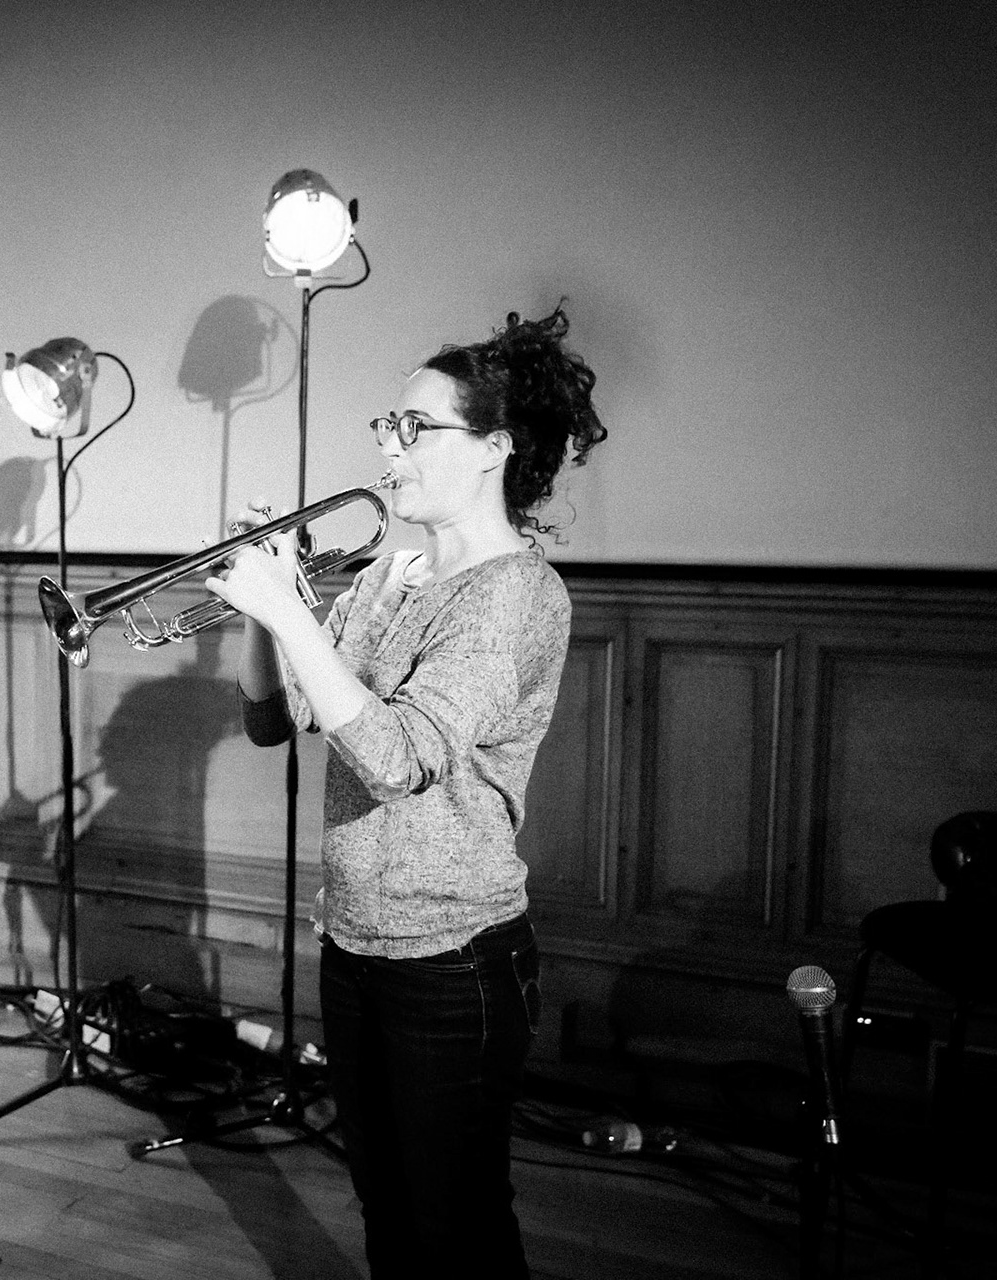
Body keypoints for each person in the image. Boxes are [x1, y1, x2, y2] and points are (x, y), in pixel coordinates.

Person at [205, 306, 606, 1277]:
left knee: (455, 1225)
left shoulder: (514, 593)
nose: (389, 446)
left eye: (414, 427)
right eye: (389, 424)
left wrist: (290, 611)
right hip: (354, 939)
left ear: (495, 447)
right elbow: (277, 717)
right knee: (386, 1205)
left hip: (453, 958)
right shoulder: (394, 571)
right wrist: (264, 605)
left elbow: (399, 759)